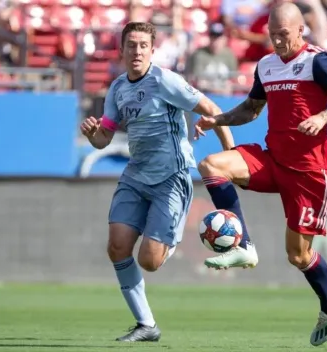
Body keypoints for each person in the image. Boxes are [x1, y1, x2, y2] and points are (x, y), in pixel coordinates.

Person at [194, 2, 327, 347]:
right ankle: (244, 246)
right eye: (272, 35)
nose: (277, 41)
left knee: (298, 256)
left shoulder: (318, 61)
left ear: (300, 30)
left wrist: (323, 118)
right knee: (211, 165)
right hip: (273, 159)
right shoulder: (267, 65)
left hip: (309, 173)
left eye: (283, 34)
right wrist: (218, 120)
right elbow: (252, 109)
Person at [80, 22, 234, 343]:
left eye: (142, 45)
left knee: (148, 262)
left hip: (171, 178)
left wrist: (231, 153)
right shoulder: (118, 88)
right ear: (121, 50)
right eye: (131, 45)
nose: (136, 51)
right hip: (136, 175)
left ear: (152, 50)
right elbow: (104, 138)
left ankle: (171, 234)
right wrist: (95, 135)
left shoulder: (165, 80)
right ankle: (146, 324)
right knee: (117, 246)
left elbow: (211, 109)